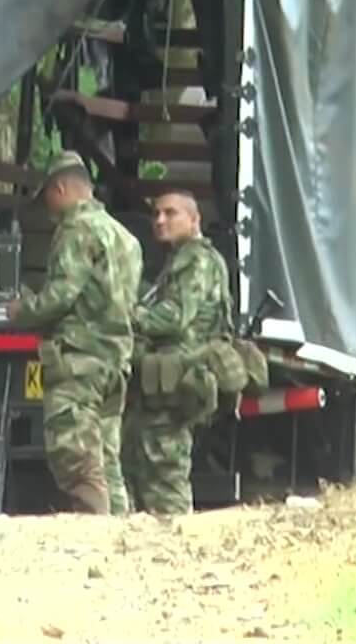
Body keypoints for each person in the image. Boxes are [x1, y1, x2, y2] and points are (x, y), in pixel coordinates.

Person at [6, 150, 138, 515]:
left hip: (78, 363)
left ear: (60, 188)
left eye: (47, 194)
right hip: (115, 363)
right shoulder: (125, 237)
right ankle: (121, 541)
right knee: (108, 462)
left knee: (77, 461)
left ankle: (91, 541)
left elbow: (60, 296)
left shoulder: (76, 230)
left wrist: (22, 310)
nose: (47, 205)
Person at [122, 189, 232, 515]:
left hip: (177, 376)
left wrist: (127, 315)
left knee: (164, 470)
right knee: (142, 461)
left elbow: (173, 317)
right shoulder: (182, 259)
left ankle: (174, 541)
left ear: (195, 219)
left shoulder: (195, 260)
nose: (159, 220)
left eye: (171, 213)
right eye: (156, 213)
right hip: (166, 377)